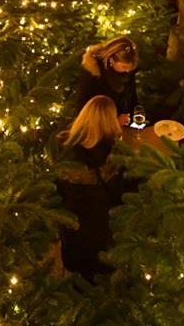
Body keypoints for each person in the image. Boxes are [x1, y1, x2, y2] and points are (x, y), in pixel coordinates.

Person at [55, 95, 125, 279]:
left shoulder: (63, 148)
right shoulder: (112, 156)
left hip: (71, 228)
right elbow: (120, 194)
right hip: (100, 230)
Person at [74, 36, 139, 120]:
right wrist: (114, 122)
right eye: (123, 66)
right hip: (99, 126)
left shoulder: (127, 73)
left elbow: (133, 99)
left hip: (124, 126)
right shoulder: (93, 73)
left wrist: (134, 116)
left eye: (130, 67)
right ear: (111, 60)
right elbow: (85, 108)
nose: (127, 70)